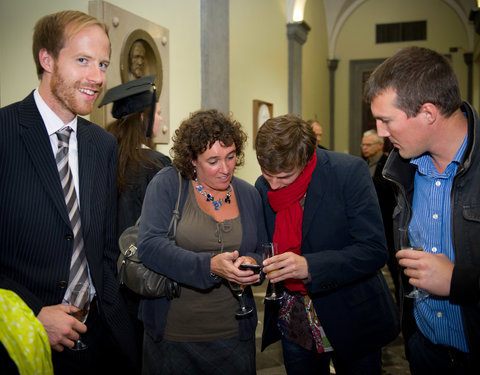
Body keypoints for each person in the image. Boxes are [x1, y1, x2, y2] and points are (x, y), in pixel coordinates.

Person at [0, 10, 137, 374]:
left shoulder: (103, 145)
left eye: (103, 64)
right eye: (82, 60)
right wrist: (34, 314)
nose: (97, 77)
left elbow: (104, 251)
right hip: (23, 344)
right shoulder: (4, 133)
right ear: (46, 59)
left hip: (99, 340)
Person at [364, 46, 480, 374]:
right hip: (425, 350)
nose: (382, 132)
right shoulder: (402, 169)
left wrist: (459, 281)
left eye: (386, 120)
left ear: (428, 113)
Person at [255, 114, 399, 375]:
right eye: (268, 175)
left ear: (306, 158)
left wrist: (310, 266)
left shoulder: (348, 172)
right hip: (295, 319)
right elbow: (265, 244)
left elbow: (374, 249)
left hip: (351, 315)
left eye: (284, 176)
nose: (273, 186)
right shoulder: (263, 185)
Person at [137, 109, 268, 374]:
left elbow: (262, 251)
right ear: (192, 160)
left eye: (231, 157)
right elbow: (150, 246)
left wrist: (252, 263)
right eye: (213, 161)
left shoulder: (248, 194)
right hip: (175, 335)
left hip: (234, 334)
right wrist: (209, 266)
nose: (225, 168)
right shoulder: (168, 185)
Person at [99, 75, 171, 369]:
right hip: (144, 280)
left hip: (106, 281)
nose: (162, 117)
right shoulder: (156, 165)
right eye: (159, 111)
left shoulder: (102, 158)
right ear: (145, 116)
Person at [361, 129, 399, 304]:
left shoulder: (389, 164)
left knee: (395, 268)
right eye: (363, 144)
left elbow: (390, 191)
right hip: (368, 224)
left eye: (368, 144)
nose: (364, 148)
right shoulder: (362, 163)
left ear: (380, 145)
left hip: (387, 221)